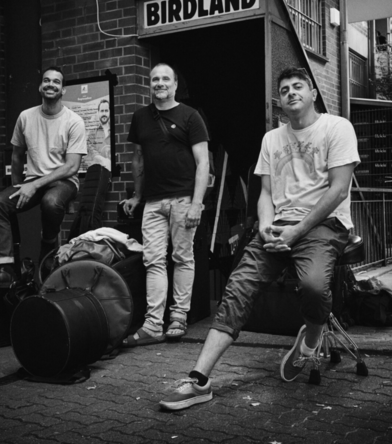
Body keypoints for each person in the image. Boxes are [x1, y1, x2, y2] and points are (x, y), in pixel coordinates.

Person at [159, 66, 360, 411]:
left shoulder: (337, 127)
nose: (291, 92)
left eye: (298, 86)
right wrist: (265, 226)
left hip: (325, 225)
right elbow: (265, 193)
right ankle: (199, 379)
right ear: (279, 101)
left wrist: (298, 230)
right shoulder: (272, 139)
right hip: (279, 225)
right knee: (238, 287)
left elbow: (339, 189)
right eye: (284, 90)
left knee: (313, 286)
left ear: (312, 93)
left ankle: (310, 342)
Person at [121, 63, 210, 346]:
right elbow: (138, 159)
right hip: (152, 202)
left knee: (182, 258)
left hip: (183, 199)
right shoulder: (140, 117)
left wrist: (197, 203)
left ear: (175, 85)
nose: (159, 83)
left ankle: (179, 317)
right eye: (154, 79)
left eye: (165, 79)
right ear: (150, 84)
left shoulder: (190, 116)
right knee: (153, 261)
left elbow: (203, 163)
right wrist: (137, 196)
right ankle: (152, 325)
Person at [0, 66, 87, 285]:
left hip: (64, 181)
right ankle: (6, 268)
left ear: (63, 90)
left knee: (51, 202)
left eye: (56, 82)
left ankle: (47, 246)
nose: (51, 84)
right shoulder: (26, 117)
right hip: (33, 179)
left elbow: (72, 166)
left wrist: (34, 185)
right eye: (46, 80)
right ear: (40, 87)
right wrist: (18, 187)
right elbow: (16, 155)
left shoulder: (74, 121)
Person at [84, 98, 111, 170]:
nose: (104, 114)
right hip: (98, 171)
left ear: (109, 112)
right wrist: (103, 160)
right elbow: (90, 152)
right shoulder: (92, 134)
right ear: (98, 112)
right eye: (102, 111)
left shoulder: (115, 131)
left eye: (106, 111)